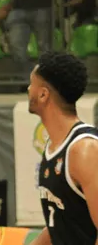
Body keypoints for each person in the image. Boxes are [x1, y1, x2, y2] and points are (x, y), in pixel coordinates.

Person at [28, 51, 97, 245]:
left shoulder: (84, 150)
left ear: (43, 94)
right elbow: (62, 222)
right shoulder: (54, 146)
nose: (27, 89)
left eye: (31, 83)